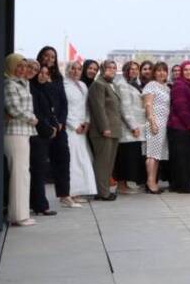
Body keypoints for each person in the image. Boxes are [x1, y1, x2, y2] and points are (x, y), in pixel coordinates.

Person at [3, 54, 37, 226]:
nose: (23, 69)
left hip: (23, 131)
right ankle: (18, 215)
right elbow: (14, 109)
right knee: (19, 173)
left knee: (23, 172)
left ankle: (20, 213)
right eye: (19, 66)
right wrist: (33, 118)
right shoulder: (9, 84)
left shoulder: (22, 83)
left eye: (25, 66)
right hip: (14, 132)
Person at [36, 47, 71, 208]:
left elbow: (63, 102)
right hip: (43, 127)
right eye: (47, 56)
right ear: (41, 56)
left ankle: (65, 194)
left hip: (59, 126)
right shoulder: (36, 77)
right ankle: (39, 200)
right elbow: (39, 103)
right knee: (40, 164)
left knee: (63, 159)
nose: (50, 59)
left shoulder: (57, 77)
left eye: (53, 56)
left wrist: (61, 122)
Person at [27, 63, 60, 217]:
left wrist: (55, 127)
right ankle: (41, 206)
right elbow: (37, 114)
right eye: (39, 72)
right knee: (37, 170)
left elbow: (50, 111)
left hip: (45, 134)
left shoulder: (46, 90)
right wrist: (49, 129)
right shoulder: (30, 89)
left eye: (46, 73)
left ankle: (37, 204)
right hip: (37, 134)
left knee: (38, 170)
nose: (42, 75)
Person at [87, 60, 122, 201]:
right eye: (109, 67)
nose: (112, 70)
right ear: (102, 69)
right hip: (104, 131)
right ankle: (102, 193)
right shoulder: (98, 84)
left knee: (109, 163)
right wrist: (104, 128)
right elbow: (98, 108)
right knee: (102, 162)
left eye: (114, 68)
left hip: (114, 130)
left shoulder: (112, 85)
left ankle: (105, 189)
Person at [63, 62, 96, 204]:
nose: (76, 71)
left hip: (82, 128)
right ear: (67, 70)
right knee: (71, 160)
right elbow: (62, 108)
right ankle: (68, 193)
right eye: (73, 68)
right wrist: (73, 125)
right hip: (70, 128)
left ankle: (78, 192)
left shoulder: (82, 85)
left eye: (78, 69)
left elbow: (87, 106)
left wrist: (87, 122)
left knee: (82, 159)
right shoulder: (63, 85)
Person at [115, 61, 147, 193]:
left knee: (131, 158)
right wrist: (133, 126)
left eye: (136, 69)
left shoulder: (135, 84)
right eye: (131, 69)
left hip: (138, 127)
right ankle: (121, 186)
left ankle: (127, 184)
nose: (134, 71)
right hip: (128, 128)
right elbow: (125, 108)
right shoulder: (122, 85)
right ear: (125, 70)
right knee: (124, 158)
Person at [167, 60, 190, 193]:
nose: (188, 72)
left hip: (184, 127)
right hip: (180, 127)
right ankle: (184, 185)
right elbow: (181, 107)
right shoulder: (179, 85)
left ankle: (179, 184)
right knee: (183, 158)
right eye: (185, 69)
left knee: (183, 157)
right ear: (181, 71)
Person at [141, 62, 169, 194]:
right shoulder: (151, 85)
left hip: (164, 124)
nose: (161, 73)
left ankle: (153, 181)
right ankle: (150, 182)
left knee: (157, 155)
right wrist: (152, 122)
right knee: (152, 154)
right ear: (154, 72)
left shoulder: (166, 87)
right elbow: (147, 105)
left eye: (164, 71)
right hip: (155, 123)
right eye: (158, 70)